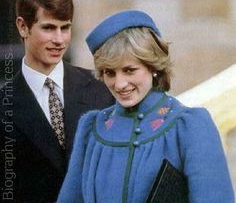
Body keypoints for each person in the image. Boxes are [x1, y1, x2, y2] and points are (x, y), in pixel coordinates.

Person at [57, 10, 234, 203]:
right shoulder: (91, 129)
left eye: (129, 70)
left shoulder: (189, 126)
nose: (120, 84)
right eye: (109, 73)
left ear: (153, 67)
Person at [0, 0, 114, 202]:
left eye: (65, 27)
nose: (60, 39)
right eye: (49, 28)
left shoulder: (102, 89)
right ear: (23, 27)